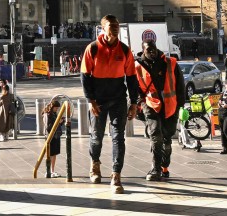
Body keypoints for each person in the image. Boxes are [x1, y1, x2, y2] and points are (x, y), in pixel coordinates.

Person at [81, 14, 140, 194]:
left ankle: (116, 175)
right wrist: (90, 100)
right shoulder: (92, 49)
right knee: (96, 137)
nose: (115, 28)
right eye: (111, 25)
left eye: (117, 25)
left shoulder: (124, 50)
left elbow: (131, 78)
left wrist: (134, 103)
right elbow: (85, 77)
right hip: (98, 100)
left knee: (118, 137)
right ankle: (95, 164)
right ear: (103, 28)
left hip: (118, 99)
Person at [134, 39, 185, 181]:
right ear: (143, 50)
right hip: (151, 105)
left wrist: (180, 106)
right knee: (156, 137)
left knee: (167, 138)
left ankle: (164, 167)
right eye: (148, 49)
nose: (152, 51)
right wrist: (141, 104)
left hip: (170, 106)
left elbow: (181, 86)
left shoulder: (171, 62)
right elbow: (135, 89)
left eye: (154, 48)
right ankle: (155, 169)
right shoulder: (137, 66)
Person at [42, 96, 68, 177]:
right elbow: (48, 127)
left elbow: (56, 124)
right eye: (56, 108)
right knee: (50, 154)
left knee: (54, 154)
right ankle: (49, 171)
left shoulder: (53, 113)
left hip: (56, 135)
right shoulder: (47, 114)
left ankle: (52, 170)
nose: (57, 110)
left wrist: (61, 121)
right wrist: (57, 122)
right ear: (52, 107)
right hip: (50, 136)